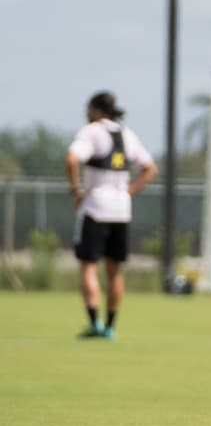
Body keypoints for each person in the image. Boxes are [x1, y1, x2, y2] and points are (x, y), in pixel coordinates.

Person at [65, 91, 157, 340]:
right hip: (121, 208)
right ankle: (111, 326)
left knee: (89, 266)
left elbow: (72, 159)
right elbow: (150, 168)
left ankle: (95, 323)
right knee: (115, 270)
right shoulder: (127, 134)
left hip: (95, 206)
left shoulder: (91, 132)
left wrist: (75, 190)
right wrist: (130, 191)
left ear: (95, 110)